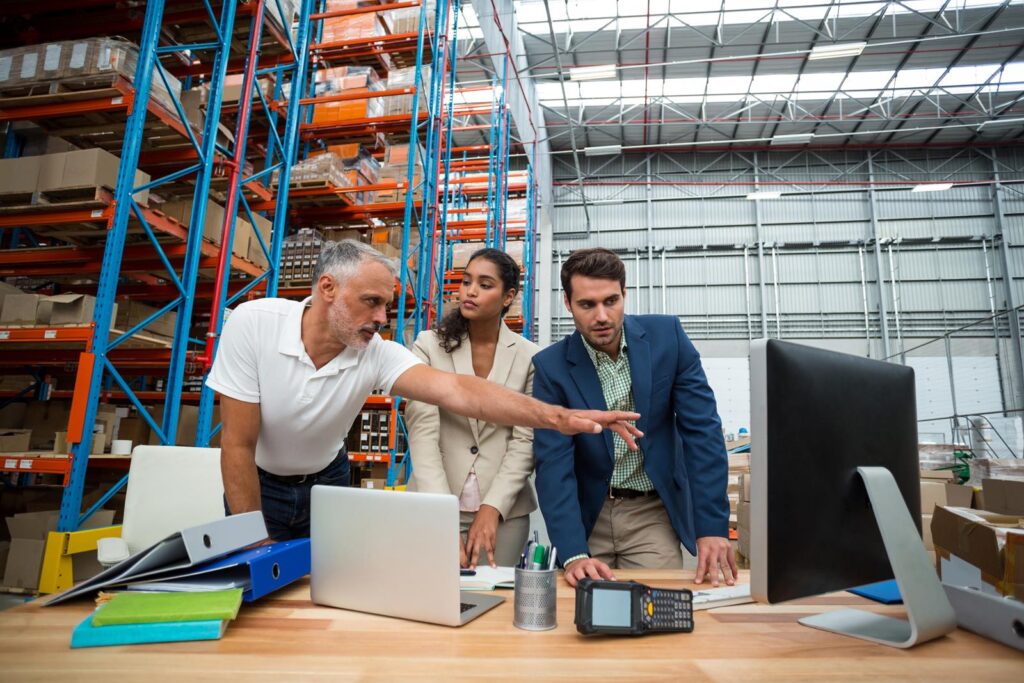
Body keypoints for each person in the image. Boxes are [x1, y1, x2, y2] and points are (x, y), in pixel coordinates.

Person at [206, 239, 641, 541]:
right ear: (327, 288)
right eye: (372, 301)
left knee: (321, 593)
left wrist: (558, 417)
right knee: (254, 586)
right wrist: (252, 542)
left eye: (387, 306)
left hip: (327, 482)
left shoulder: (375, 352)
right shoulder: (254, 324)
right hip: (258, 480)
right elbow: (237, 446)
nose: (382, 317)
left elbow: (459, 391)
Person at [531, 247, 737, 587]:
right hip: (587, 516)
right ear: (568, 304)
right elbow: (553, 463)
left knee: (658, 610)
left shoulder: (668, 338)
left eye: (611, 301)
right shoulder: (551, 367)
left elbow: (702, 434)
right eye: (587, 305)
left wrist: (712, 527)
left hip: (650, 513)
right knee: (582, 614)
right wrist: (572, 552)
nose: (602, 316)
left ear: (625, 294)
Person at [406, 249, 538, 569]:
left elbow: (525, 441)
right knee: (430, 599)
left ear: (508, 297)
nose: (471, 291)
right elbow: (422, 431)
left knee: (493, 603)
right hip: (432, 500)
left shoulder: (529, 357)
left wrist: (492, 508)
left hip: (504, 513)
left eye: (485, 284)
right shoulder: (427, 345)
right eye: (466, 282)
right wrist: (442, 514)